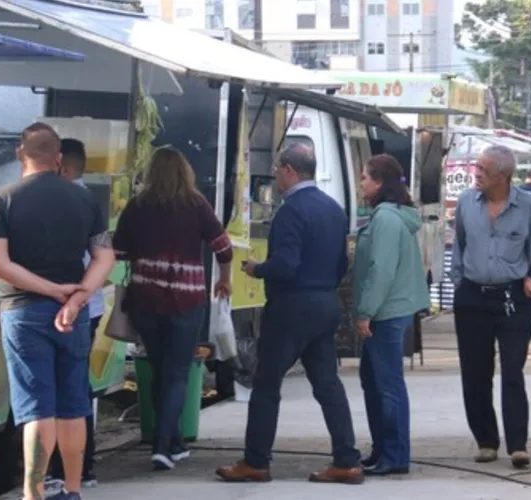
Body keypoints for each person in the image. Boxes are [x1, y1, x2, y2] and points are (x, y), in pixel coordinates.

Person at [0, 123, 115, 500]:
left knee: (37, 405)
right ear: (59, 159)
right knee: (73, 403)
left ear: (19, 154)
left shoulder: (0, 200)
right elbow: (105, 256)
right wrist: (75, 298)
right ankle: (72, 489)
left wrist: (49, 289)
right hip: (72, 316)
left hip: (23, 314)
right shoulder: (85, 200)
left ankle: (34, 492)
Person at [216, 144, 363, 484]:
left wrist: (256, 269)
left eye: (277, 169)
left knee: (266, 384)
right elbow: (342, 262)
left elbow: (286, 264)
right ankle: (347, 459)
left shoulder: (291, 211)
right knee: (328, 385)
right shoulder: (333, 209)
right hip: (325, 303)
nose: (276, 176)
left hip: (291, 306)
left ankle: (255, 461)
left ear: (289, 170)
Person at [112, 148, 233, 470]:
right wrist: (225, 279)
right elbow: (223, 247)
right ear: (185, 173)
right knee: (177, 372)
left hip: (145, 301)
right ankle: (164, 446)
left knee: (159, 368)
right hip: (186, 301)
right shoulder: (196, 204)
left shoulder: (137, 206)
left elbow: (119, 249)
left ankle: (173, 442)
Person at [450, 145, 531, 469]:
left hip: (513, 299)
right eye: (476, 166)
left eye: (483, 169)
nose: (476, 173)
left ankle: (517, 444)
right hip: (473, 297)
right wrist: (459, 282)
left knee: (512, 370)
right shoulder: (466, 202)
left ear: (503, 176)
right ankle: (486, 441)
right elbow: (459, 244)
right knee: (475, 373)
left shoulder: (529, 205)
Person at [352, 154, 431, 476]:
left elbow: (380, 269)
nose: (360, 184)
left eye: (364, 178)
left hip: (385, 311)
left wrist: (365, 312)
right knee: (374, 381)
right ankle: (383, 448)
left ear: (379, 182)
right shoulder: (392, 216)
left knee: (386, 384)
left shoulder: (386, 220)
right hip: (391, 308)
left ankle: (394, 454)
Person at [45, 139, 103, 494]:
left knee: (61, 391)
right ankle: (84, 469)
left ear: (62, 166)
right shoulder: (89, 202)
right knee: (77, 387)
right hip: (86, 307)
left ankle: (60, 474)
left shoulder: (64, 203)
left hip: (68, 305)